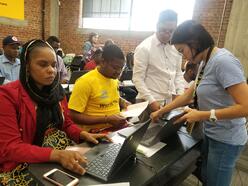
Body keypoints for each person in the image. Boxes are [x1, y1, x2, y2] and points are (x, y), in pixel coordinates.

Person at [151, 20, 248, 186]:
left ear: (194, 43)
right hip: (212, 133)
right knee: (208, 178)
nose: (184, 56)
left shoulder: (223, 62)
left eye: (183, 50)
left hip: (226, 139)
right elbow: (190, 94)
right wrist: (162, 111)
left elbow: (246, 107)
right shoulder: (205, 61)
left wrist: (202, 115)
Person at [0, 39, 110, 185]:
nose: (51, 70)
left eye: (53, 65)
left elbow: (66, 124)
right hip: (24, 164)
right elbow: (10, 148)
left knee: (91, 176)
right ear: (27, 66)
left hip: (59, 153)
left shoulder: (56, 91)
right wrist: (56, 155)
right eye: (43, 64)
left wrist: (83, 134)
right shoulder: (7, 96)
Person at [132, 9, 184, 121]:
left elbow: (178, 73)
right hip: (147, 103)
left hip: (169, 103)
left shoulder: (176, 48)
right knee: (145, 138)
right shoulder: (144, 48)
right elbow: (137, 79)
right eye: (163, 30)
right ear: (157, 26)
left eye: (171, 31)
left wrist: (180, 94)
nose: (167, 34)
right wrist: (152, 101)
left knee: (164, 137)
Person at [69, 44, 129, 133]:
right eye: (115, 68)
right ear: (103, 62)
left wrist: (123, 102)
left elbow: (106, 97)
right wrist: (107, 119)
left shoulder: (113, 79)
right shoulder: (85, 82)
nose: (119, 72)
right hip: (94, 133)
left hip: (115, 129)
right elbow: (74, 116)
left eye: (121, 68)